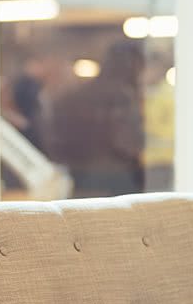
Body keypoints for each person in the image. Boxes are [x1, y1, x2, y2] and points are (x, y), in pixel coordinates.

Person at [48, 41, 145, 197]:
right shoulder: (121, 97)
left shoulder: (76, 95)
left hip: (81, 177)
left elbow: (58, 140)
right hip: (115, 177)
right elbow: (127, 143)